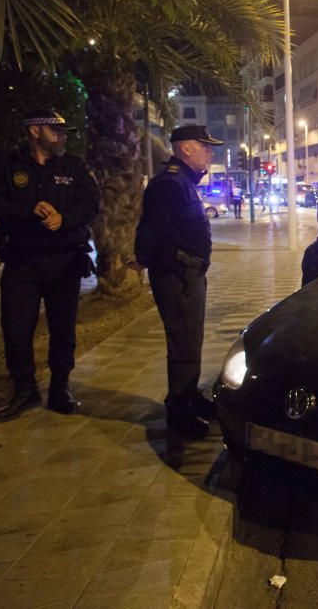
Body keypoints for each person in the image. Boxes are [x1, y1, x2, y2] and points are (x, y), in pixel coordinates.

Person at [0, 109, 99, 421]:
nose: (62, 136)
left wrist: (64, 218)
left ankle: (61, 388)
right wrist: (28, 210)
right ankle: (24, 390)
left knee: (63, 329)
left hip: (64, 262)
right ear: (35, 131)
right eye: (55, 130)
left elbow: (90, 203)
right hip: (22, 262)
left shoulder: (74, 166)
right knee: (16, 329)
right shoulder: (5, 165)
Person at [132, 125, 221, 439]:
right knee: (183, 341)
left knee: (191, 339)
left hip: (188, 275)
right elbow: (152, 234)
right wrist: (164, 262)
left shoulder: (182, 182)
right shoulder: (169, 184)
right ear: (186, 149)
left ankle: (188, 395)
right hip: (177, 276)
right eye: (205, 147)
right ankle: (179, 410)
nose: (210, 153)